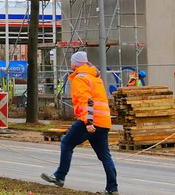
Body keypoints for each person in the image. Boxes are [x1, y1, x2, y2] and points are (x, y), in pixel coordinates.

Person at [41, 51, 118, 195]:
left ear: (75, 64)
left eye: (71, 62)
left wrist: (88, 122)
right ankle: (112, 188)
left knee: (66, 143)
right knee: (105, 156)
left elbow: (85, 101)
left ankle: (59, 176)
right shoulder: (95, 77)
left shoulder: (80, 78)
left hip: (89, 120)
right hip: (103, 121)